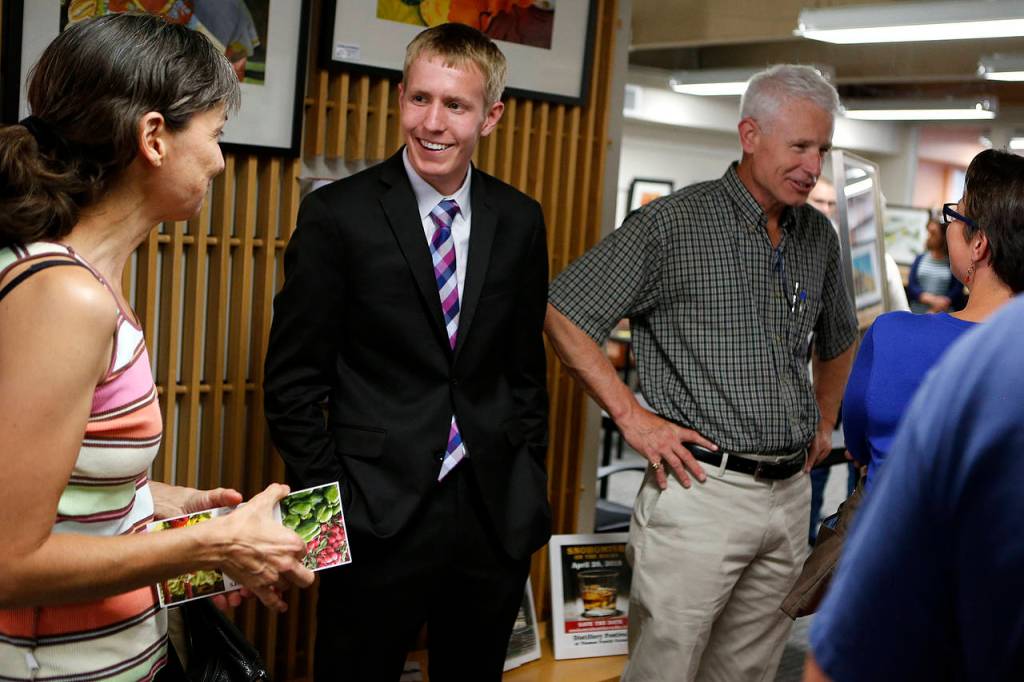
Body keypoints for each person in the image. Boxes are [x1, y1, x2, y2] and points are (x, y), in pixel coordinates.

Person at [0, 14, 314, 681]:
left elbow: (61, 487)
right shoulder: (64, 297)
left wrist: (167, 508)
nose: (221, 162)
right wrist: (216, 543)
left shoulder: (84, 279)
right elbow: (8, 559)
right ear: (153, 138)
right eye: (214, 135)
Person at [545, 64, 858, 681]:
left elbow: (840, 338)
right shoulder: (672, 225)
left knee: (749, 672)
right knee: (667, 669)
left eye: (821, 148)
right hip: (698, 494)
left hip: (790, 495)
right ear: (750, 134)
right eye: (799, 146)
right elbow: (564, 314)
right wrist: (633, 419)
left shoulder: (818, 236)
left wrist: (825, 421)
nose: (812, 165)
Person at [263, 23, 550, 682]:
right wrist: (328, 519)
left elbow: (523, 372)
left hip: (492, 514)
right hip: (370, 513)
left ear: (491, 116)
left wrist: (528, 484)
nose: (433, 122)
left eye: (456, 105)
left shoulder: (520, 219)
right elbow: (292, 383)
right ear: (400, 99)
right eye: (420, 99)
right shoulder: (338, 215)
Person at [805, 293, 1024, 682]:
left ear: (980, 244)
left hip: (910, 583)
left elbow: (858, 440)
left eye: (950, 226)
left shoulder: (898, 334)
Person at [842, 149, 1024, 492]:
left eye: (955, 214)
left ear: (979, 244)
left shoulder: (891, 337)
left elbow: (857, 443)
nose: (948, 225)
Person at [804, 178, 908, 543]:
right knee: (813, 467)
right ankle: (809, 544)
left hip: (865, 386)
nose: (829, 213)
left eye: (835, 205)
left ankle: (846, 547)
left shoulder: (883, 264)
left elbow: (901, 321)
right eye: (822, 203)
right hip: (819, 382)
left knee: (859, 472)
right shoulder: (811, 257)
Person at [907, 214, 967, 314]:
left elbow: (957, 289)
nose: (928, 237)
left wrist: (941, 304)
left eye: (933, 233)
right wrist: (931, 299)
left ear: (944, 236)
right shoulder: (919, 259)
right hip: (917, 313)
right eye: (928, 232)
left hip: (943, 313)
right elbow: (912, 285)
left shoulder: (953, 262)